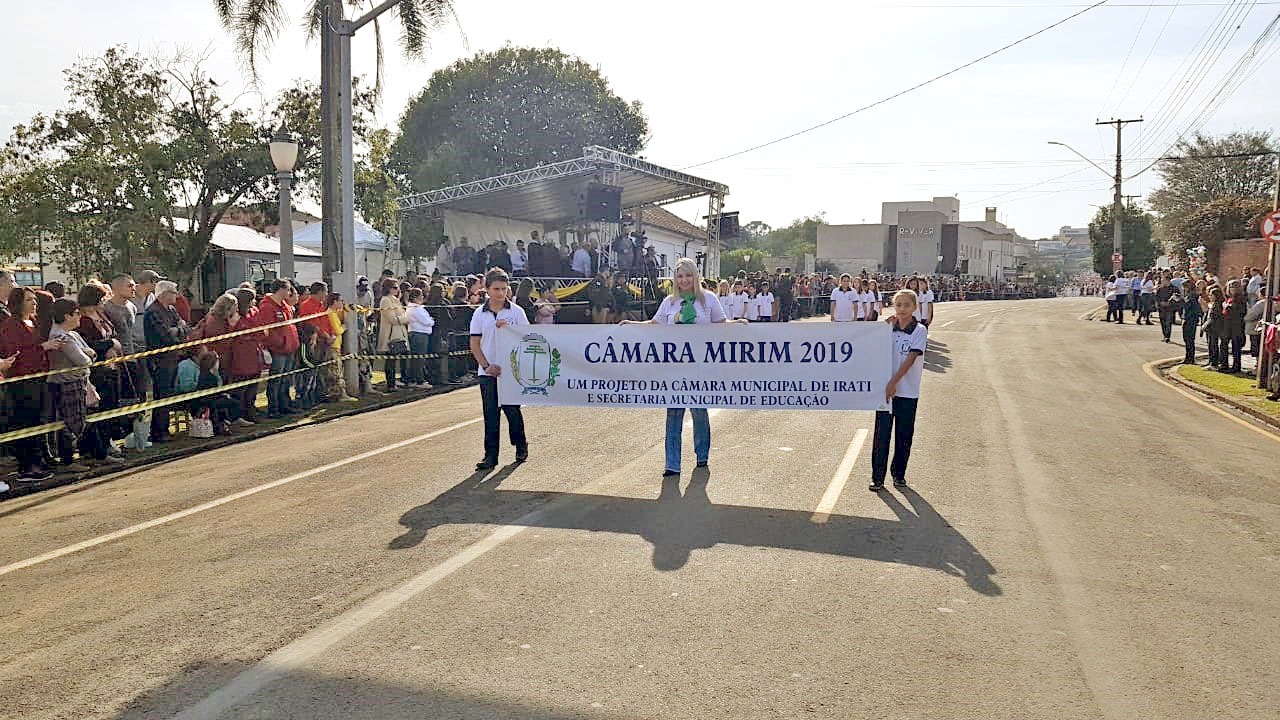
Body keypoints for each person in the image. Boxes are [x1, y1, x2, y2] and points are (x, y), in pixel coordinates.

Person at [622, 258, 739, 477]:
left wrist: (739, 324)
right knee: (673, 413)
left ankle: (701, 455)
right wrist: (631, 326)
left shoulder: (709, 300)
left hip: (700, 366)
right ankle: (672, 464)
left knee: (699, 411)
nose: (684, 280)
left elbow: (721, 327)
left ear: (695, 276)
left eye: (687, 275)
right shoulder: (669, 301)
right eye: (680, 276)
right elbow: (655, 325)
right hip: (673, 367)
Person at [469, 267, 530, 470]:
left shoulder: (517, 312)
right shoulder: (479, 314)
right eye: (496, 289)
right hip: (488, 372)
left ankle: (520, 445)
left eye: (504, 289)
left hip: (511, 372)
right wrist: (486, 366)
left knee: (513, 412)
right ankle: (490, 456)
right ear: (487, 289)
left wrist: (510, 329)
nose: (500, 293)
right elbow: (475, 344)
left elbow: (528, 338)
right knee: (490, 414)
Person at [1, 288, 64, 482]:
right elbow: (15, 352)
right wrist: (43, 347)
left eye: (35, 299)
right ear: (18, 303)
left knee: (38, 420)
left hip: (39, 378)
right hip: (22, 382)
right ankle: (27, 466)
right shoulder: (11, 325)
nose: (34, 303)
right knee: (25, 421)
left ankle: (39, 460)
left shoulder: (34, 322)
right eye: (29, 300)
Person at [46, 298, 114, 472]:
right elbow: (83, 360)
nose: (80, 317)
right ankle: (68, 462)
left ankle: (98, 455)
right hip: (67, 384)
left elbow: (89, 351)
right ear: (67, 316)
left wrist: (88, 354)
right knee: (71, 423)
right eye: (76, 313)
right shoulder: (60, 337)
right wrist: (87, 354)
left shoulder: (73, 335)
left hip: (81, 382)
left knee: (87, 419)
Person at [871, 289, 927, 491]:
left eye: (906, 305)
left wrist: (894, 382)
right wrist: (882, 329)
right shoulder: (888, 328)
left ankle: (899, 474)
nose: (902, 309)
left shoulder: (919, 330)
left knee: (904, 435)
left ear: (914, 307)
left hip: (907, 391)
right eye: (899, 305)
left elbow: (911, 359)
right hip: (885, 392)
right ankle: (877, 477)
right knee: (881, 434)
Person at [144, 281, 187, 442]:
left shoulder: (171, 310)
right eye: (174, 292)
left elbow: (184, 328)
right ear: (164, 294)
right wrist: (178, 329)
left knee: (169, 394)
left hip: (172, 358)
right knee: (161, 395)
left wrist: (178, 329)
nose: (176, 295)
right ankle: (158, 432)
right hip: (159, 361)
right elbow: (166, 336)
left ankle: (165, 428)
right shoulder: (153, 312)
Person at [257, 279, 300, 418]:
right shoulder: (267, 307)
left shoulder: (285, 306)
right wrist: (280, 343)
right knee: (276, 379)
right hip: (279, 349)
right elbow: (267, 331)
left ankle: (284, 405)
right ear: (280, 289)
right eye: (288, 290)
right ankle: (273, 408)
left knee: (286, 379)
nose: (289, 293)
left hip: (289, 348)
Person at [405, 287, 435, 390]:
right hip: (419, 334)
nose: (422, 297)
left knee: (417, 359)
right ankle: (419, 380)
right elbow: (427, 321)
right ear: (416, 297)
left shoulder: (416, 307)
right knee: (419, 359)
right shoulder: (415, 309)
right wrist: (431, 321)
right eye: (421, 296)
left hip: (419, 333)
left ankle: (414, 379)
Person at [1221, 280, 1248, 374]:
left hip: (1237, 326)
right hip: (1227, 326)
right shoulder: (1228, 298)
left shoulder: (1241, 299)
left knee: (1236, 348)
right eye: (1231, 287)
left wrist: (1227, 307)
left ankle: (1236, 367)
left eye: (1234, 287)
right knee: (1224, 345)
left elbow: (1240, 312)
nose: (1232, 289)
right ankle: (1224, 365)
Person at [1182, 281, 1204, 365]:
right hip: (1188, 318)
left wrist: (1182, 301)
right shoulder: (1189, 295)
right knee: (1187, 340)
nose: (1184, 289)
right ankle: (1188, 357)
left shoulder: (1192, 296)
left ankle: (1190, 358)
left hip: (1191, 319)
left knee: (1189, 339)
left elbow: (1193, 308)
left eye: (1185, 287)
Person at [1154, 273, 1178, 343]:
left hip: (1169, 308)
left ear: (1168, 281)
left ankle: (1167, 336)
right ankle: (1164, 335)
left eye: (1163, 280)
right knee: (1163, 322)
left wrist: (1169, 303)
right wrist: (1159, 303)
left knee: (1168, 322)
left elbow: (1177, 298)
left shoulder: (1174, 288)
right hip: (1161, 308)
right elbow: (1156, 298)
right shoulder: (1160, 289)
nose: (1162, 282)